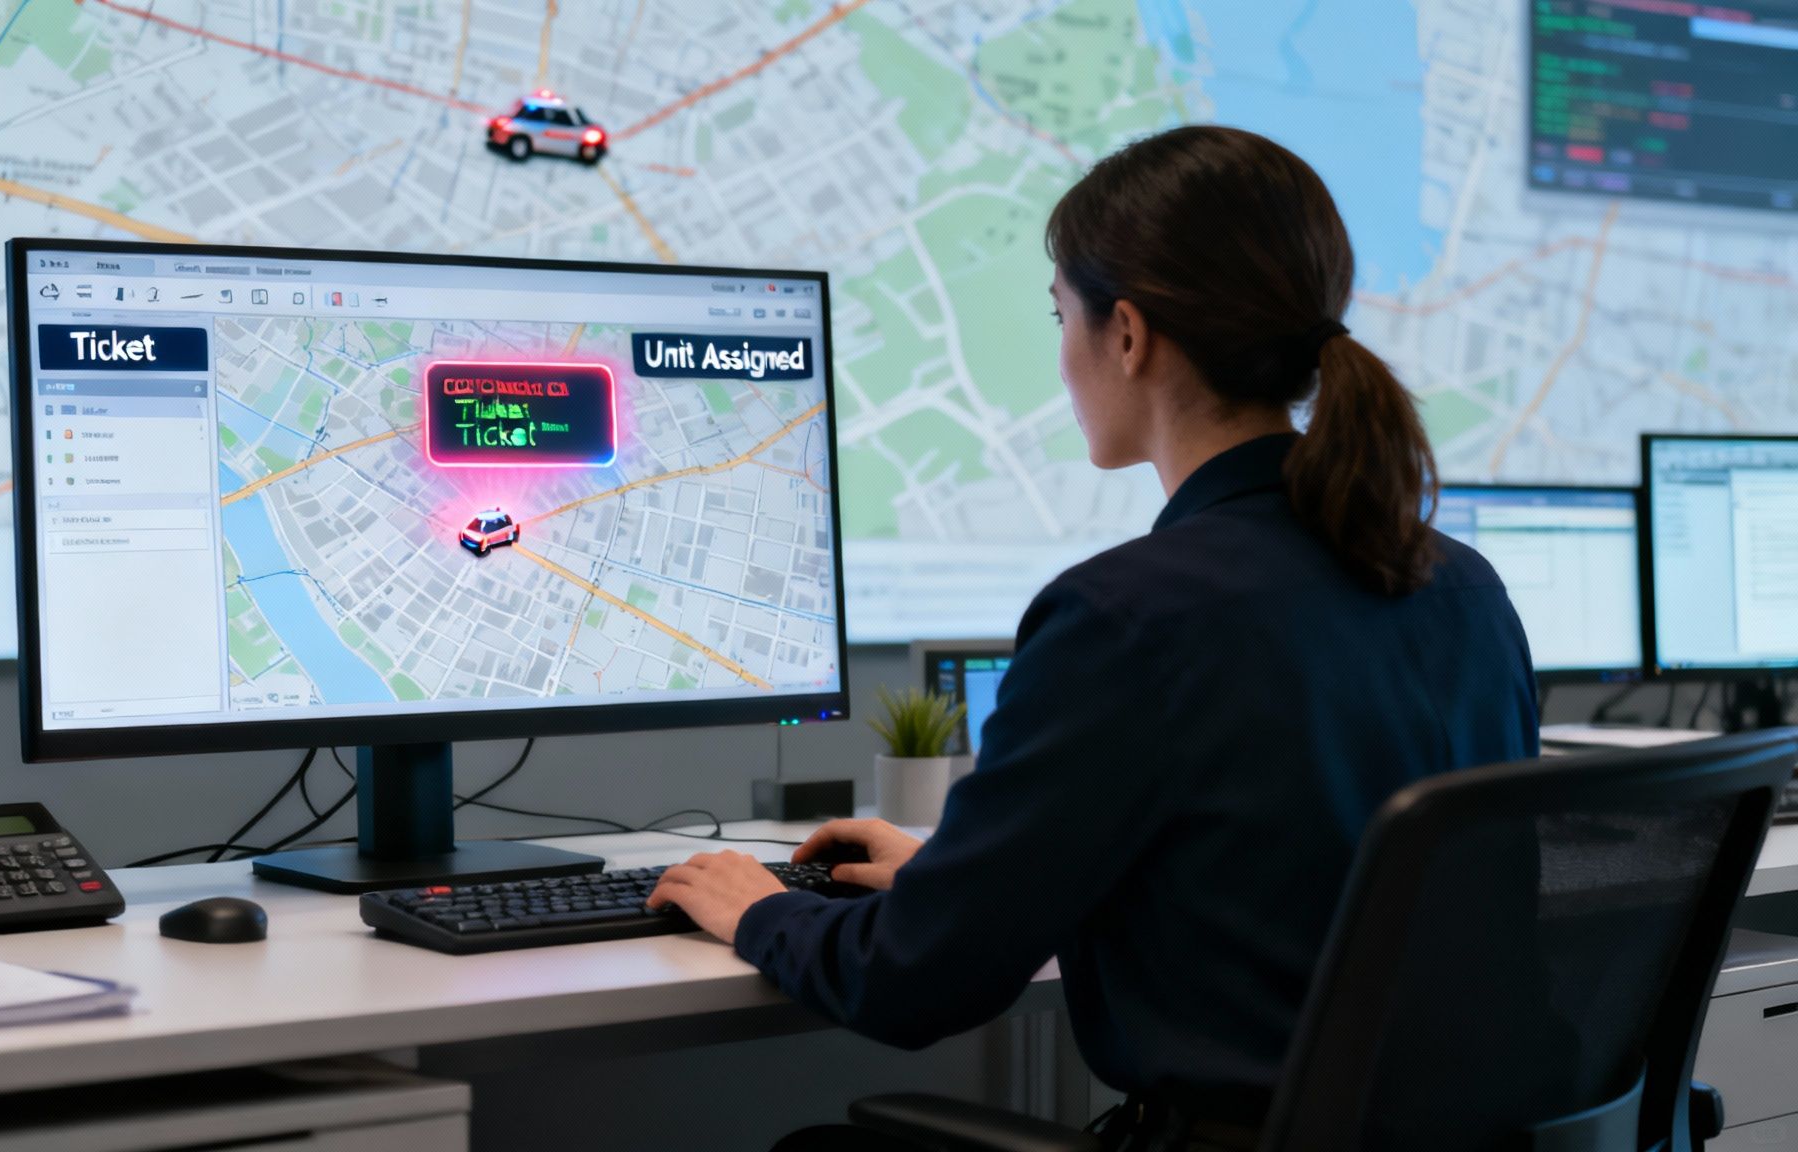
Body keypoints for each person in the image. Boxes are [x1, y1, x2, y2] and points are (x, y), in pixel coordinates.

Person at [647, 125, 1538, 1151]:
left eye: (1059, 315)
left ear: (1127, 335)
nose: (1061, 353)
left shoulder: (1125, 617)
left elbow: (909, 984)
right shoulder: (1458, 582)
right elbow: (1286, 881)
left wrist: (759, 909)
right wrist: (962, 880)